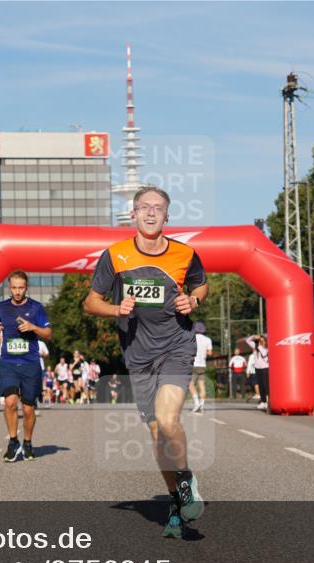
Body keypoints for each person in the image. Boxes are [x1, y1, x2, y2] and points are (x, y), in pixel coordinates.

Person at [83, 185, 208, 538]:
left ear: (167, 216)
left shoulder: (185, 254)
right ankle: (176, 502)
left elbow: (201, 286)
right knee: (156, 433)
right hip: (138, 355)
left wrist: (193, 302)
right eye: (144, 207)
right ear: (133, 214)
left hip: (176, 346)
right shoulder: (115, 256)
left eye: (158, 207)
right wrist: (115, 309)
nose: (151, 212)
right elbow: (90, 302)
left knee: (168, 420)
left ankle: (186, 483)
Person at [0, 271, 52, 461]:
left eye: (21, 288)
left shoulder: (36, 308)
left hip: (30, 364)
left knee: (27, 409)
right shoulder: (1, 307)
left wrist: (33, 327)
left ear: (26, 288)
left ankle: (27, 442)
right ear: (9, 287)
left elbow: (48, 334)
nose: (17, 292)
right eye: (14, 288)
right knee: (10, 402)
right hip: (8, 362)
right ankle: (12, 442)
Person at [188, 321, 213, 413]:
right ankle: (201, 406)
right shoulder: (208, 340)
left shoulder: (191, 338)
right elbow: (210, 353)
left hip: (193, 365)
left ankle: (196, 403)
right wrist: (203, 352)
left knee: (190, 384)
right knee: (202, 385)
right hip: (202, 365)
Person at [245, 335, 269, 410]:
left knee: (265, 385)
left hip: (265, 368)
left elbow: (264, 356)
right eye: (259, 341)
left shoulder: (266, 349)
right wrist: (254, 337)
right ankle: (263, 402)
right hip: (258, 368)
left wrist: (259, 347)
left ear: (265, 341)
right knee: (260, 386)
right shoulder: (256, 346)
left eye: (262, 340)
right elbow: (247, 340)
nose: (260, 342)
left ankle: (268, 401)